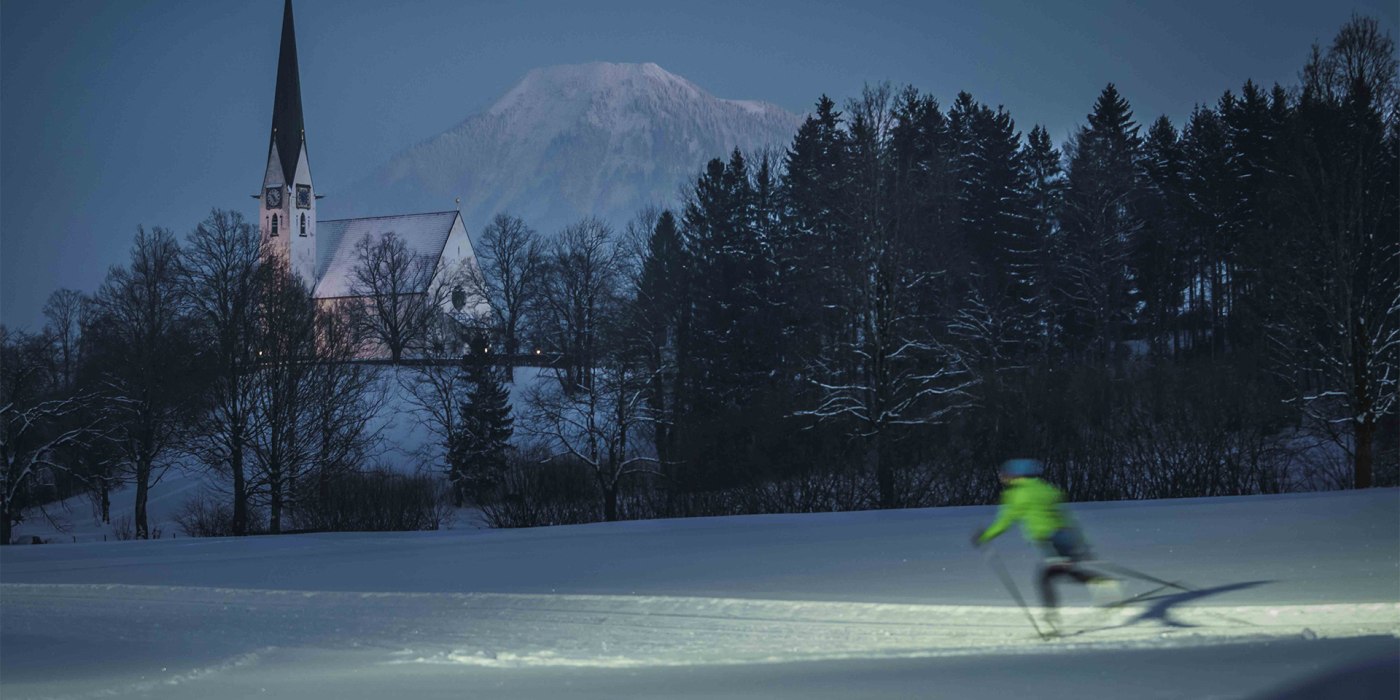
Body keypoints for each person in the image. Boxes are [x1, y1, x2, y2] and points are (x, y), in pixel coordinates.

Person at [971, 458, 1118, 629]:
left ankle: (1052, 618)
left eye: (1006, 474)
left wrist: (984, 536)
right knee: (1059, 572)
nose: (1002, 477)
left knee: (1046, 577)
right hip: (1066, 536)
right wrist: (1081, 543)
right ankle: (1100, 583)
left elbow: (1005, 521)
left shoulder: (1017, 494)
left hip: (1048, 539)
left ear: (1016, 476)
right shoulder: (1046, 489)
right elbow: (1067, 517)